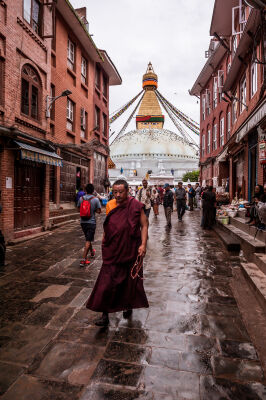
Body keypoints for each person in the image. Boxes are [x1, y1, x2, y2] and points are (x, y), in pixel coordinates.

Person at [86, 179, 149, 326]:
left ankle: (127, 305)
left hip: (130, 249)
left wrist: (143, 244)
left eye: (121, 192)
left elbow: (144, 225)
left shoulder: (135, 205)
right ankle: (104, 314)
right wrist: (103, 241)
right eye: (115, 192)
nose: (118, 195)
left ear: (127, 191)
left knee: (128, 280)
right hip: (113, 249)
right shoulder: (110, 205)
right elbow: (109, 225)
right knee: (106, 281)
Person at [77, 183, 101, 267]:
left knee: (88, 238)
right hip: (91, 222)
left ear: (85, 190)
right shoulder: (95, 199)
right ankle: (83, 260)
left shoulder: (81, 198)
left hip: (83, 222)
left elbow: (78, 209)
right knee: (88, 240)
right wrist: (93, 210)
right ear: (93, 190)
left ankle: (92, 252)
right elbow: (99, 211)